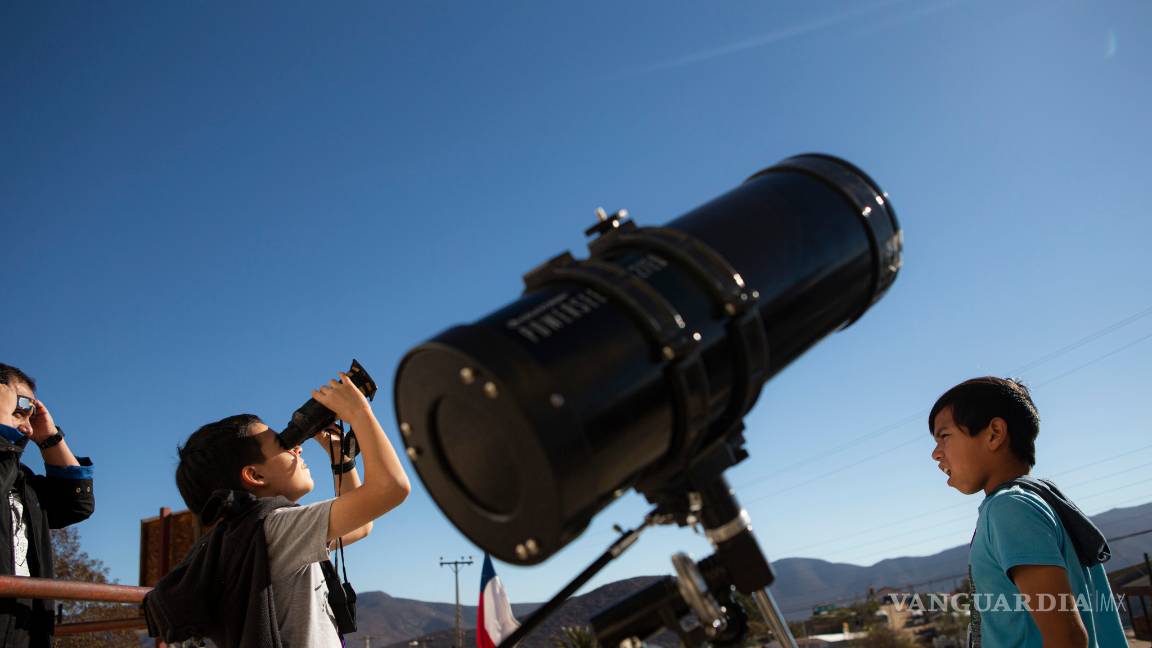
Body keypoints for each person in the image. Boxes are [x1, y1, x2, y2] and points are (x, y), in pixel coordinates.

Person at [144, 371, 410, 647]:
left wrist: (340, 459)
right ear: (255, 476)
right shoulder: (273, 526)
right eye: (284, 444)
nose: (298, 449)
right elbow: (391, 488)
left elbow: (360, 526)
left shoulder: (246, 535)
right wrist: (358, 412)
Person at [928, 377, 1126, 647]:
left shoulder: (1009, 508)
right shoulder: (1042, 499)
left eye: (944, 436)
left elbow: (1067, 639)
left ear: (994, 433)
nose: (936, 454)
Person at [0, 363, 95, 648]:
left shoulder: (21, 480)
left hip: (24, 626)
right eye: (18, 411)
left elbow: (76, 504)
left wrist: (49, 437)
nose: (27, 427)